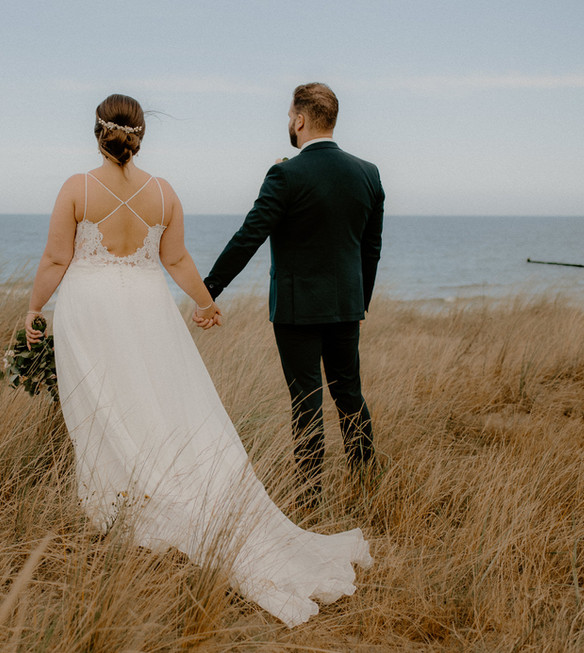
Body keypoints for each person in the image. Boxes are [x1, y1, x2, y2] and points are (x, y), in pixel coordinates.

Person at [24, 93, 371, 626]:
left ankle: (116, 508)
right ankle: (158, 499)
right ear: (140, 135)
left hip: (89, 311)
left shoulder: (76, 188)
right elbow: (176, 258)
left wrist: (33, 307)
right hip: (148, 308)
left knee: (104, 405)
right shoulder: (163, 194)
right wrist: (205, 303)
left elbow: (55, 257)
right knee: (166, 403)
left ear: (99, 134)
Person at [202, 83, 384, 501]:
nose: (289, 122)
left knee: (306, 402)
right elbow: (371, 248)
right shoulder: (369, 173)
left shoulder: (285, 174)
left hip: (297, 311)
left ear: (300, 120)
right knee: (349, 394)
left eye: (289, 116)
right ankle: (367, 486)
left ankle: (308, 498)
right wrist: (359, 301)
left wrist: (210, 290)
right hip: (346, 307)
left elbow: (249, 236)